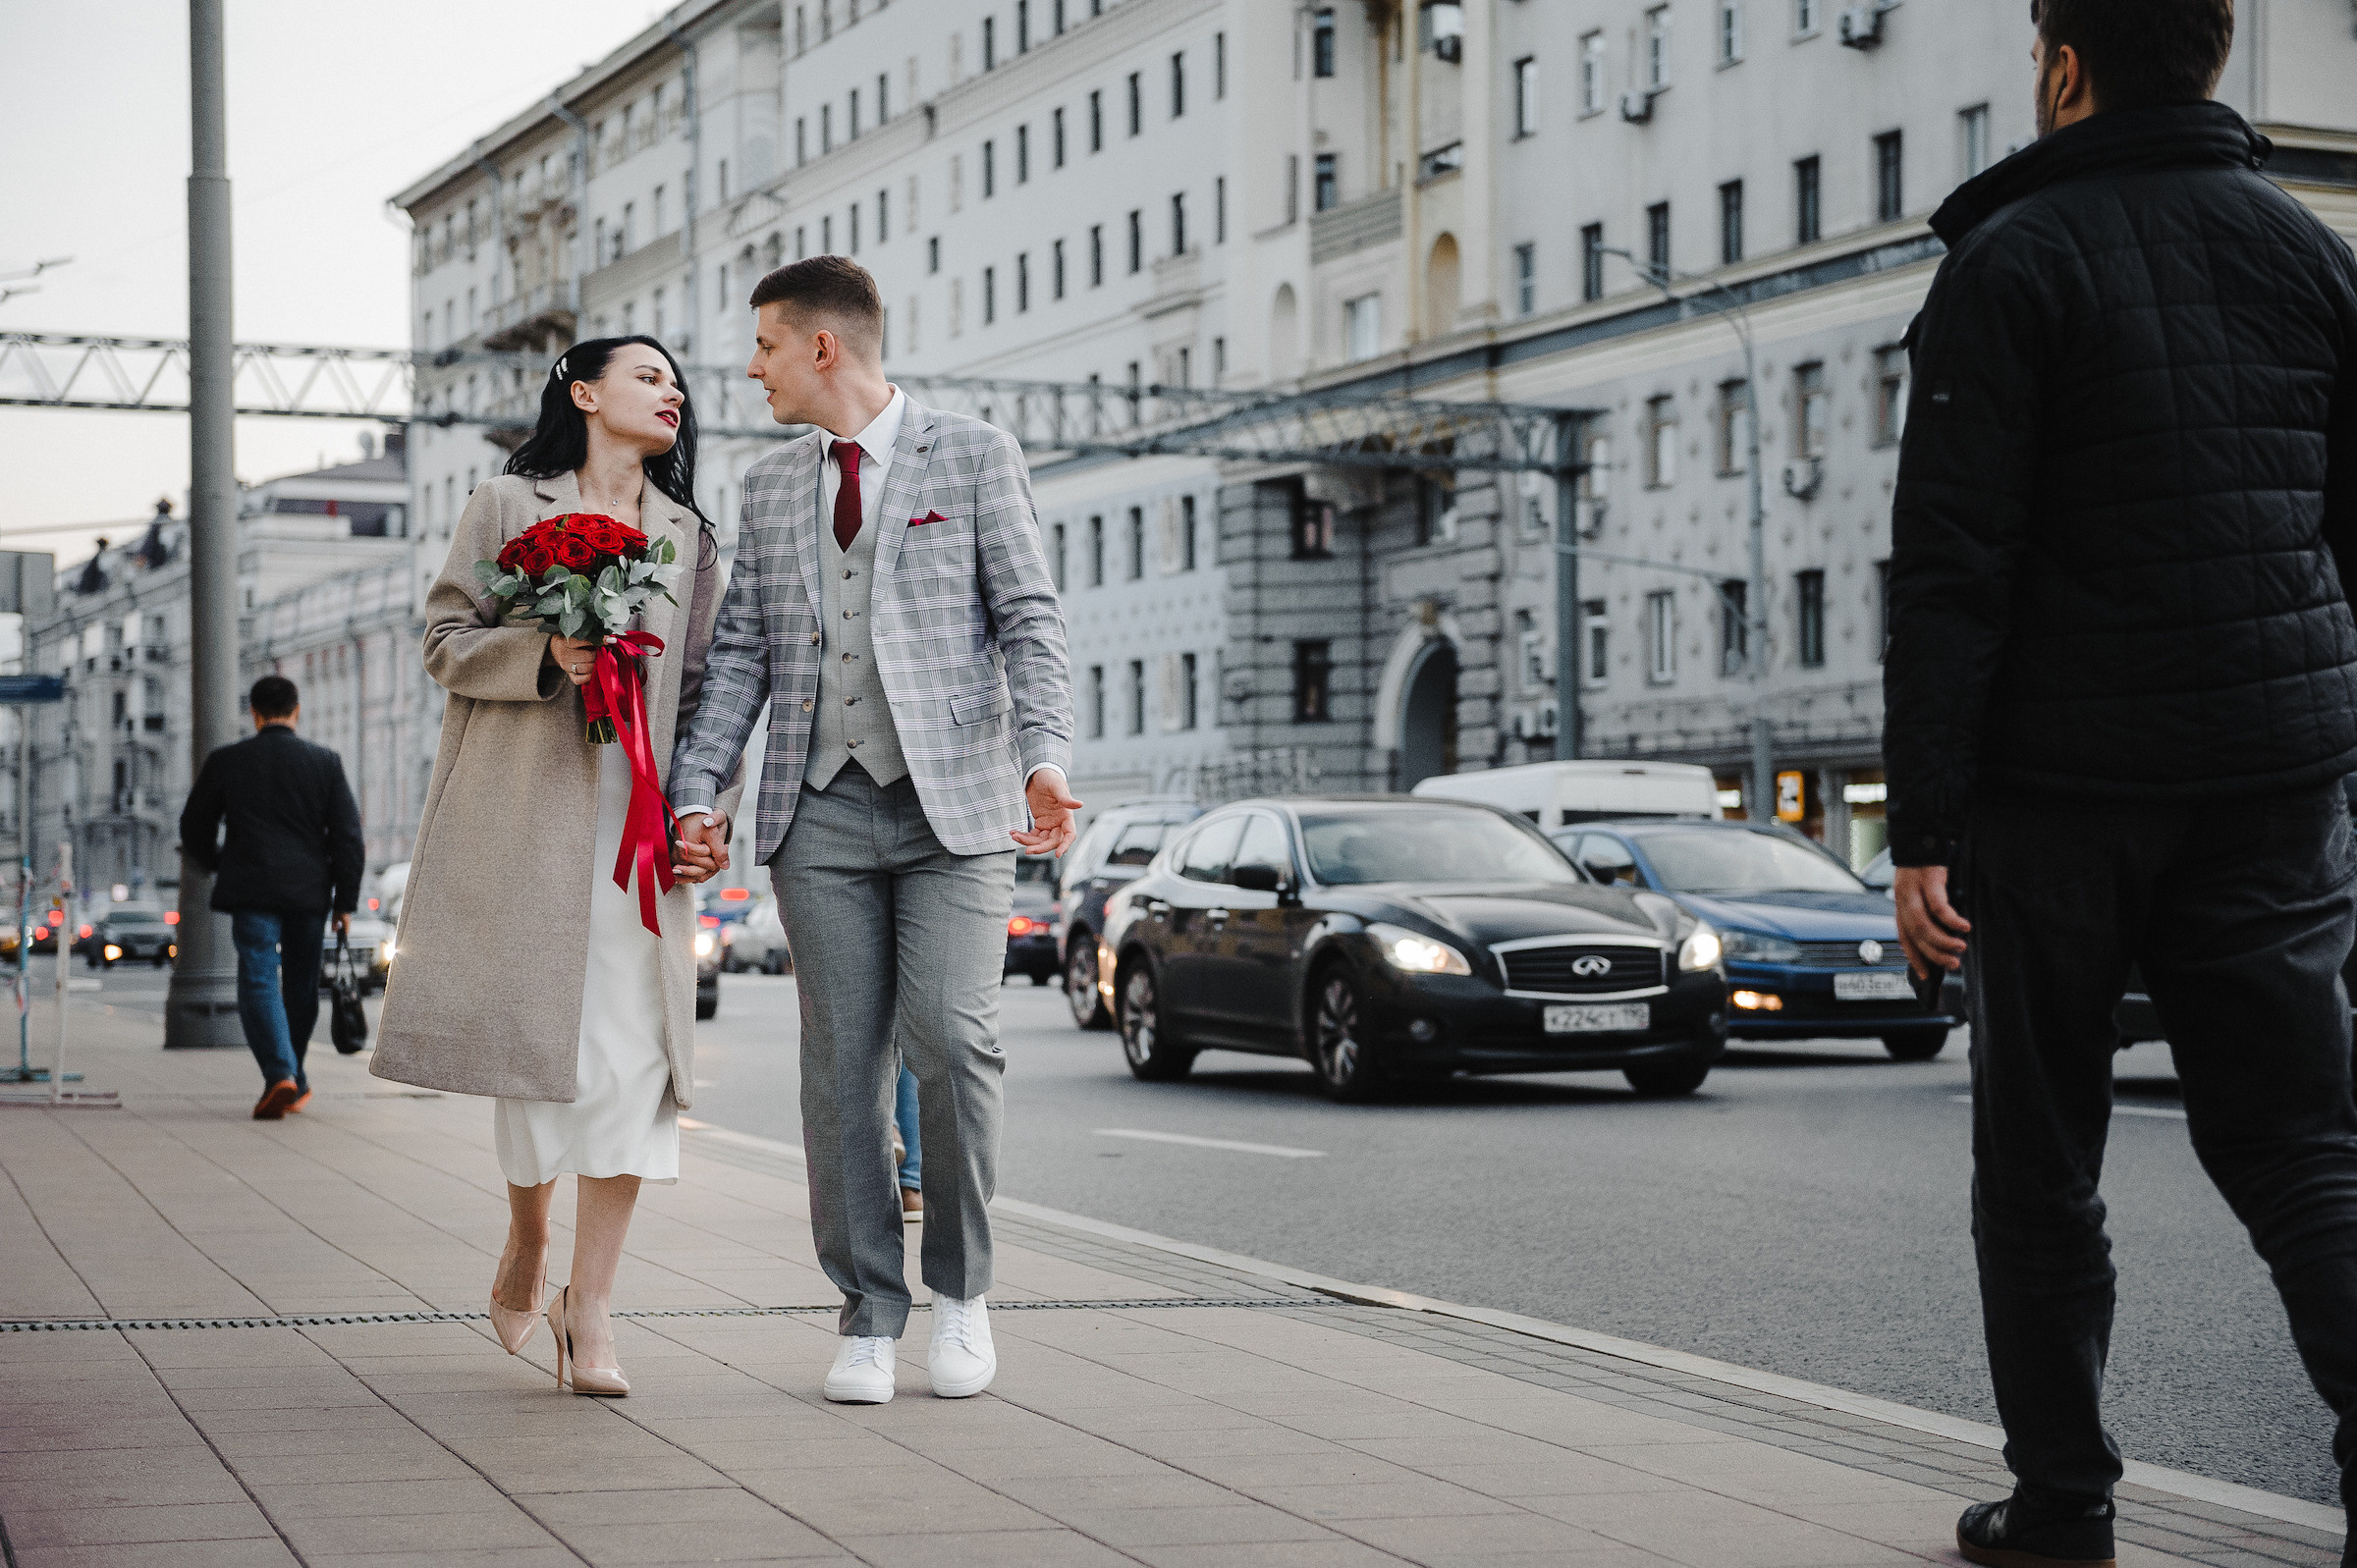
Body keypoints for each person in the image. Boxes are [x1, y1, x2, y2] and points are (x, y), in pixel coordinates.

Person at [1883, 1, 2357, 1563]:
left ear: (2065, 67)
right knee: (2304, 1146)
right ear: (2211, 61)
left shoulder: (2010, 262)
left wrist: (1925, 826)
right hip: (2274, 778)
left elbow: (1950, 570)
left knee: (2040, 1163)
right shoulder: (2310, 253)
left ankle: (2064, 1504)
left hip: (2057, 793)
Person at [669, 254, 1077, 1405]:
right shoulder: (767, 486)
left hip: (957, 805)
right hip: (820, 810)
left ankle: (962, 1294)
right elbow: (739, 652)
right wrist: (700, 788)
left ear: (823, 347)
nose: (752, 370)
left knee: (953, 1038)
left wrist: (1044, 758)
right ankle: (867, 1314)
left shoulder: (974, 454)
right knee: (841, 1067)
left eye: (764, 347)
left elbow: (1030, 619)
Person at [370, 336, 740, 1397]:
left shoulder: (688, 534)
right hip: (527, 813)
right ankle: (528, 1236)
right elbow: (444, 638)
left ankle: (594, 1305)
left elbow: (709, 691)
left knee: (635, 1061)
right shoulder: (505, 503)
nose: (672, 392)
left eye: (677, 381)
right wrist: (546, 653)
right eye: (647, 375)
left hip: (639, 826)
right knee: (542, 1046)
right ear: (583, 392)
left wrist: (708, 811)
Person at [179, 675, 364, 1120]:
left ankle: (282, 1073)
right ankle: (292, 1075)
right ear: (297, 711)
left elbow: (193, 825)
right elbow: (348, 837)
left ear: (254, 713)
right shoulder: (324, 762)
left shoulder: (228, 760)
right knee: (300, 985)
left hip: (252, 888)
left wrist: (218, 862)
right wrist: (345, 902)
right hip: (309, 892)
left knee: (259, 978)